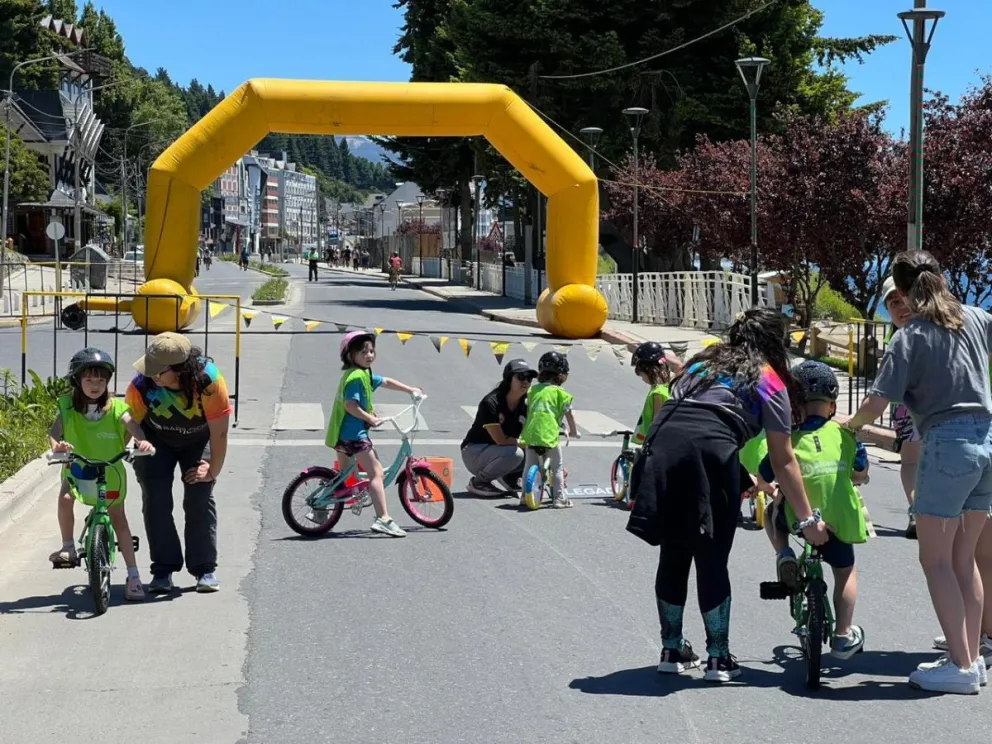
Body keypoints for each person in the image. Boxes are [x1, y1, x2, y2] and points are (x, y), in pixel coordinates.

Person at [627, 307, 826, 683]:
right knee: (711, 556)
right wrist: (808, 520)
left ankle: (672, 649)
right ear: (776, 343)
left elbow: (692, 420)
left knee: (674, 552)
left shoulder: (701, 364)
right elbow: (784, 460)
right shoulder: (768, 380)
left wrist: (737, 471)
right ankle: (718, 657)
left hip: (662, 448)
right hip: (709, 449)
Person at [847, 250, 992, 694]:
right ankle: (970, 654)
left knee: (936, 560)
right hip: (987, 441)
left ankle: (962, 667)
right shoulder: (977, 317)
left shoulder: (909, 337)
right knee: (964, 559)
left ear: (903, 289)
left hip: (947, 446)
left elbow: (876, 403)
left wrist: (848, 427)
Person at [759, 360, 869, 659]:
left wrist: (765, 485)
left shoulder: (788, 439)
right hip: (840, 522)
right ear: (832, 406)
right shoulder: (847, 437)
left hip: (801, 519)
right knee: (845, 572)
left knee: (772, 512)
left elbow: (765, 474)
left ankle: (783, 554)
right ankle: (844, 635)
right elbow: (860, 471)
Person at [126, 332, 232, 594]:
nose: (153, 376)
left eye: (159, 372)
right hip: (155, 440)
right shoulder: (142, 384)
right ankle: (163, 569)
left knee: (198, 497)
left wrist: (213, 470)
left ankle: (204, 569)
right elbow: (129, 421)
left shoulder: (209, 381)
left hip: (198, 440)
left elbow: (219, 432)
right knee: (156, 500)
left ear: (180, 369)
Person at [48, 348, 154, 601]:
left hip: (111, 470)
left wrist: (142, 442)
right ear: (77, 380)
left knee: (119, 519)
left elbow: (132, 425)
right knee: (65, 499)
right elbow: (54, 433)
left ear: (107, 382)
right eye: (89, 380)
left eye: (101, 380)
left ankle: (134, 576)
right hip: (78, 469)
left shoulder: (116, 406)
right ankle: (68, 547)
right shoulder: (68, 407)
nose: (95, 385)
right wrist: (58, 448)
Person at [327, 330, 423, 538]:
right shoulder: (355, 377)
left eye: (371, 351)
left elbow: (385, 381)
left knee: (344, 479)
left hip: (342, 435)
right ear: (350, 356)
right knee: (376, 473)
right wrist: (370, 418)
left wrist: (410, 389)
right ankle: (384, 519)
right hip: (354, 435)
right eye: (363, 352)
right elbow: (350, 405)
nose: (369, 355)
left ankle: (318, 510)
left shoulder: (364, 373)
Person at [879, 277, 923, 538]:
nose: (901, 306)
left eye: (905, 298)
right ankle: (919, 509)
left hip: (926, 407)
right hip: (907, 407)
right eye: (894, 301)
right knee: (911, 459)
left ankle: (920, 510)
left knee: (913, 460)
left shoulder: (897, 334)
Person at [461, 359, 535, 497]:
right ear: (508, 379)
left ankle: (509, 477)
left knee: (535, 449)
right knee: (518, 452)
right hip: (475, 452)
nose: (526, 381)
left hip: (501, 451)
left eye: (529, 378)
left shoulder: (526, 404)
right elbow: (500, 440)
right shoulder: (491, 402)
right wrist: (527, 444)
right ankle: (478, 482)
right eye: (521, 377)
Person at [518, 351, 579, 509]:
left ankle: (524, 496)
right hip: (549, 436)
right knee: (557, 467)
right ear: (562, 375)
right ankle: (559, 498)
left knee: (528, 465)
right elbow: (569, 415)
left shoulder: (532, 391)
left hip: (530, 435)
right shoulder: (561, 394)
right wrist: (573, 431)